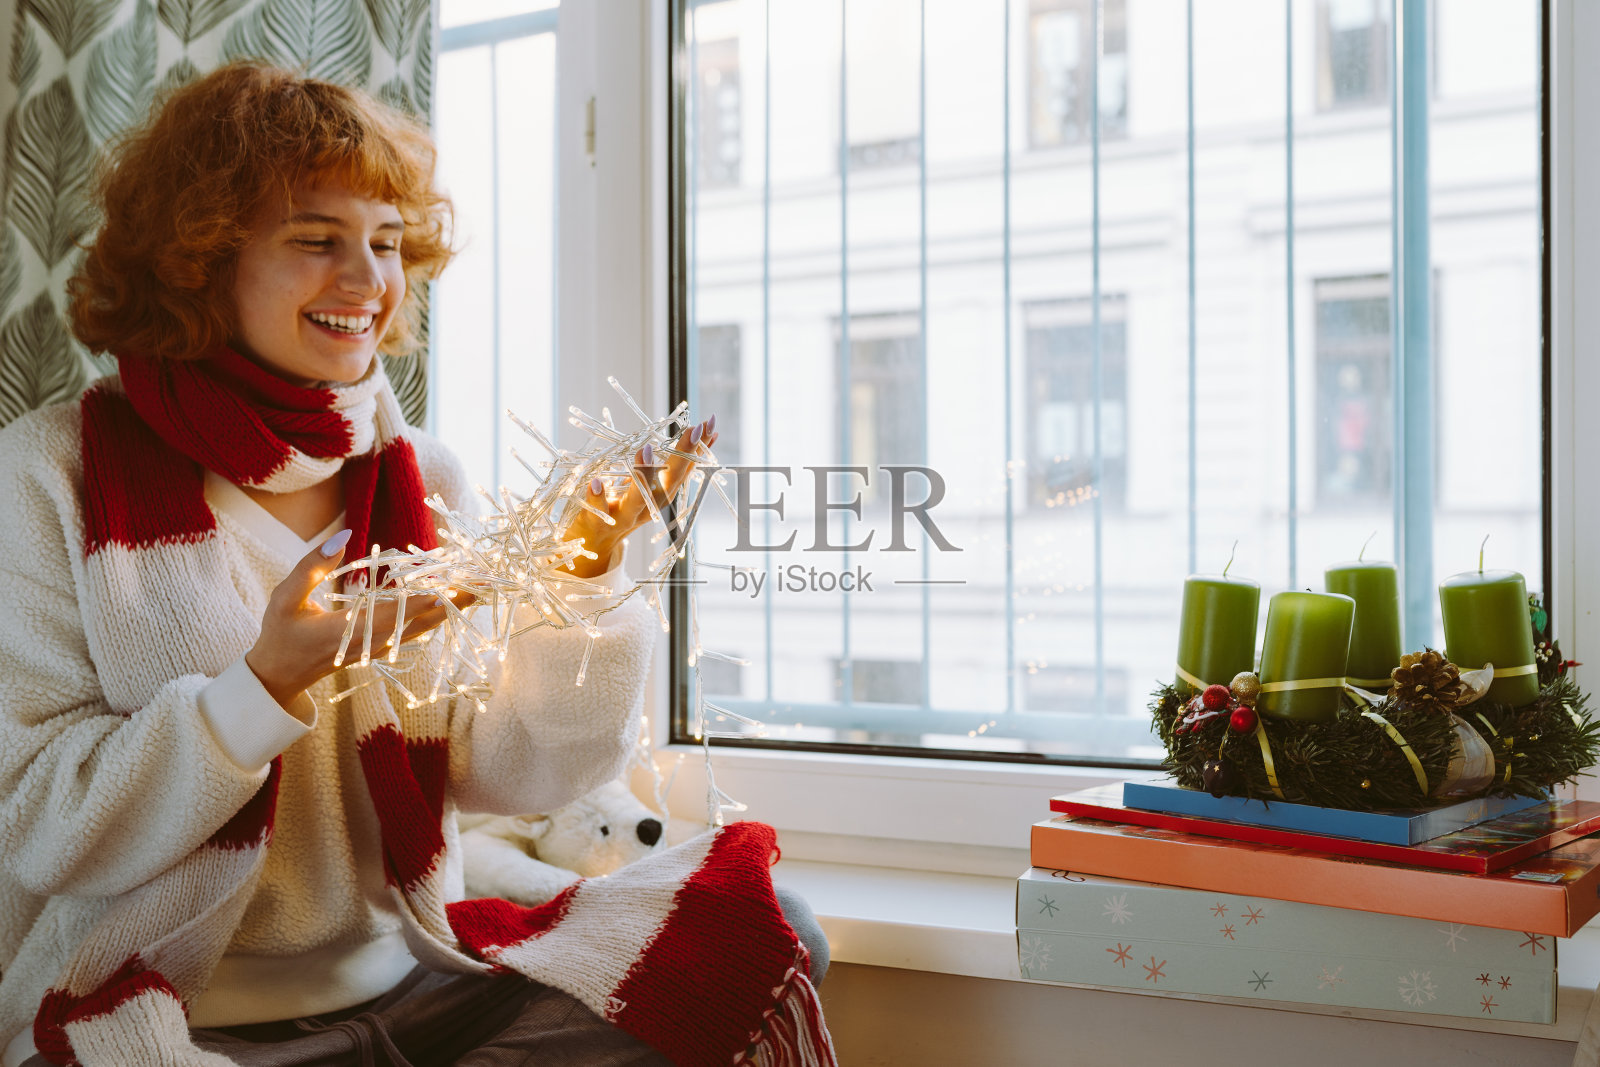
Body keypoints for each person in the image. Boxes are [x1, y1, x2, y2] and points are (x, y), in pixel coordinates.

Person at [0, 63, 827, 1067]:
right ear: (200, 258)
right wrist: (263, 686)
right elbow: (38, 823)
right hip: (178, 1010)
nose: (367, 282)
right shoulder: (50, 474)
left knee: (768, 928)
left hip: (418, 986)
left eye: (387, 244)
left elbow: (513, 772)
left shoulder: (420, 474)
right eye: (318, 241)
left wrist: (579, 574)